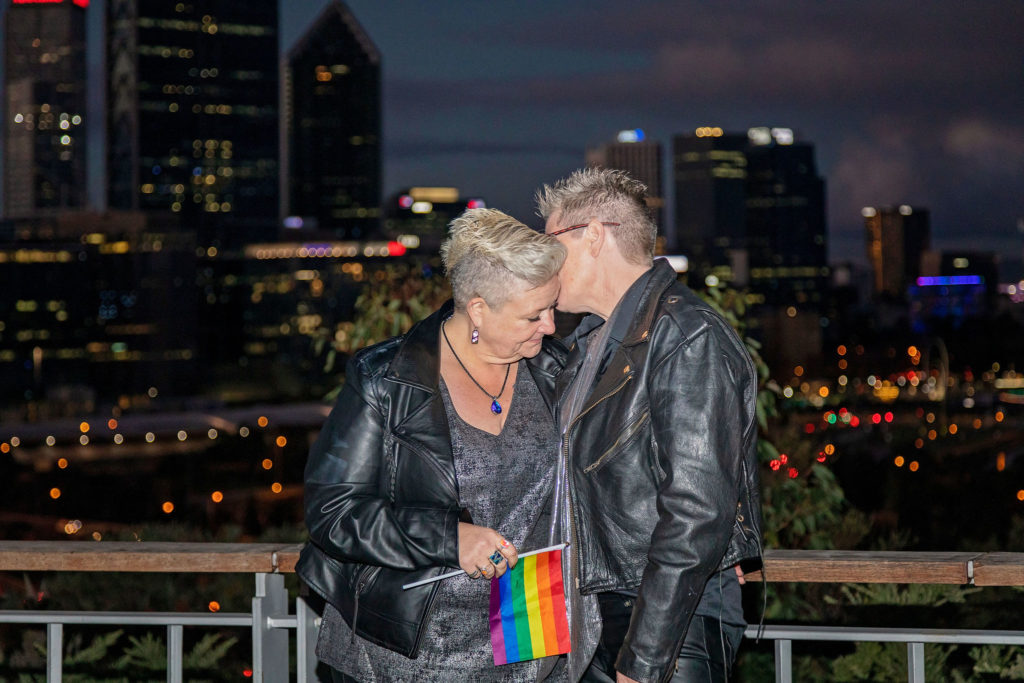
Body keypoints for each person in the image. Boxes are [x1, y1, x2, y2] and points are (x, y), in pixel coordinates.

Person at [296, 208, 568, 682]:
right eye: (533, 314)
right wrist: (448, 538)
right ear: (478, 309)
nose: (549, 326)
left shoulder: (556, 371)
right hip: (403, 654)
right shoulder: (385, 378)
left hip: (530, 644)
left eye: (552, 308)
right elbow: (334, 512)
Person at [536, 168, 763, 683]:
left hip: (663, 627)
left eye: (548, 244)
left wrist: (645, 655)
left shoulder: (686, 336)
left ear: (592, 236)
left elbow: (698, 512)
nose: (542, 263)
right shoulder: (591, 343)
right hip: (597, 614)